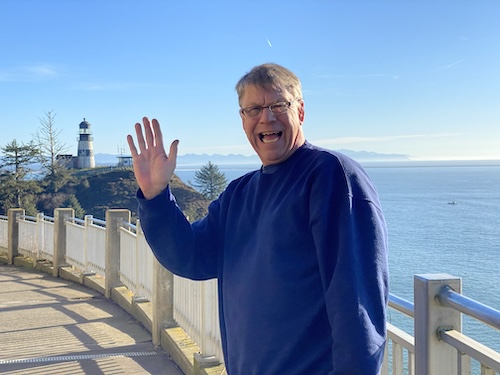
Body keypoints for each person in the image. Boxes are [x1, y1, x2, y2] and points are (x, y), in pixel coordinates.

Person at [127, 63, 389, 374]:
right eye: (253, 109)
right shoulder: (239, 193)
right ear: (242, 119)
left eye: (278, 105)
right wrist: (157, 198)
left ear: (301, 111)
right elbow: (191, 257)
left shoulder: (331, 177)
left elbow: (356, 304)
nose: (266, 117)